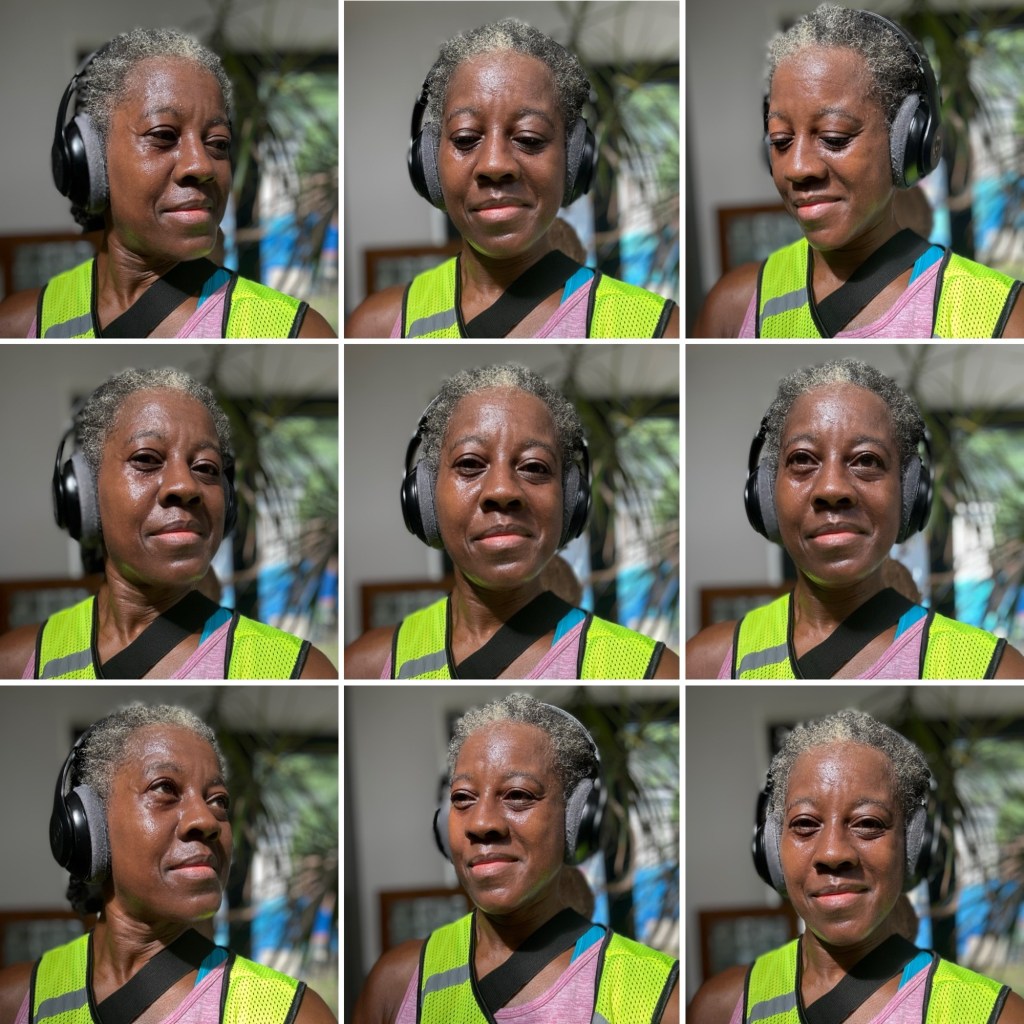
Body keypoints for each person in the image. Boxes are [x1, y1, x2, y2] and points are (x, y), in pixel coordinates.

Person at [693, 5, 1024, 338]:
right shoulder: (734, 307)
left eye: (834, 138)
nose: (797, 167)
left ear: (908, 143)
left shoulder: (998, 315)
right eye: (781, 141)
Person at [685, 359, 1024, 679]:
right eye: (802, 459)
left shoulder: (991, 668)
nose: (832, 488)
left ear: (909, 494)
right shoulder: (708, 662)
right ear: (766, 492)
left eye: (866, 460)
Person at [0, 703, 336, 1024]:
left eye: (218, 800)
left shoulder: (288, 1014)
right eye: (164, 788)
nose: (207, 820)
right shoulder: (16, 1001)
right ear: (91, 828)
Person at [353, 693, 679, 1023]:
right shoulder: (396, 984)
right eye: (463, 798)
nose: (481, 823)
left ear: (576, 819)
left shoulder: (657, 997)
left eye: (518, 795)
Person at [345, 18, 679, 339]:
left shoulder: (654, 328)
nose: (494, 164)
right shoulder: (379, 327)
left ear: (574, 160)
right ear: (428, 162)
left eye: (530, 138)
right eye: (464, 138)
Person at [344, 363, 680, 679]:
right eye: (470, 463)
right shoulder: (368, 666)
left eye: (534, 467)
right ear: (425, 496)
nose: (502, 490)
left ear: (571, 498)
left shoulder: (648, 668)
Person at [687, 709, 1024, 1023]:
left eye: (867, 823)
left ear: (913, 845)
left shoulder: (992, 1015)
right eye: (804, 824)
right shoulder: (722, 1006)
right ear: (771, 848)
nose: (833, 853)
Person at [0, 367, 337, 679]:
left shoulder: (297, 669)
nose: (185, 486)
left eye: (206, 468)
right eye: (146, 459)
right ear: (85, 495)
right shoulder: (17, 662)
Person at [0, 27, 335, 338]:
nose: (201, 165)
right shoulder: (20, 324)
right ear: (90, 162)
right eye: (163, 136)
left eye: (218, 143)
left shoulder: (292, 330)